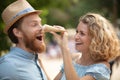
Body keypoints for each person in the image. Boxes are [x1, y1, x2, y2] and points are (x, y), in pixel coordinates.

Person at [0, 0, 65, 80]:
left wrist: (65, 49)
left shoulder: (35, 60)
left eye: (40, 23)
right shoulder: (9, 66)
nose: (42, 28)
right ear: (17, 32)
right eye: (34, 24)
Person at [51, 13, 120, 80]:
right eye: (77, 32)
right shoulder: (73, 58)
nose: (76, 37)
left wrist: (65, 49)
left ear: (95, 39)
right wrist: (40, 63)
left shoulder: (101, 68)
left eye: (82, 33)